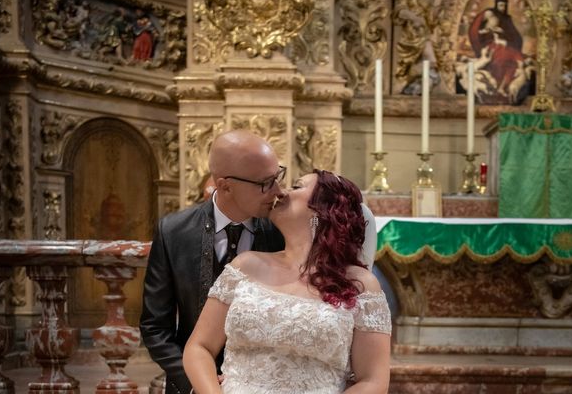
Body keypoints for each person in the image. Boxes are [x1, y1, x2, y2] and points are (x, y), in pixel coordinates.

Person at [183, 169, 392, 393]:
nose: (281, 192)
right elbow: (199, 347)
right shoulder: (244, 266)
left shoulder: (360, 286)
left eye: (296, 186)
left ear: (323, 209)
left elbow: (372, 380)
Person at [140, 130, 286, 394]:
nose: (278, 191)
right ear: (225, 185)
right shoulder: (173, 231)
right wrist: (196, 382)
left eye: (277, 177)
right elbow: (155, 328)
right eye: (265, 183)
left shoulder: (283, 232)